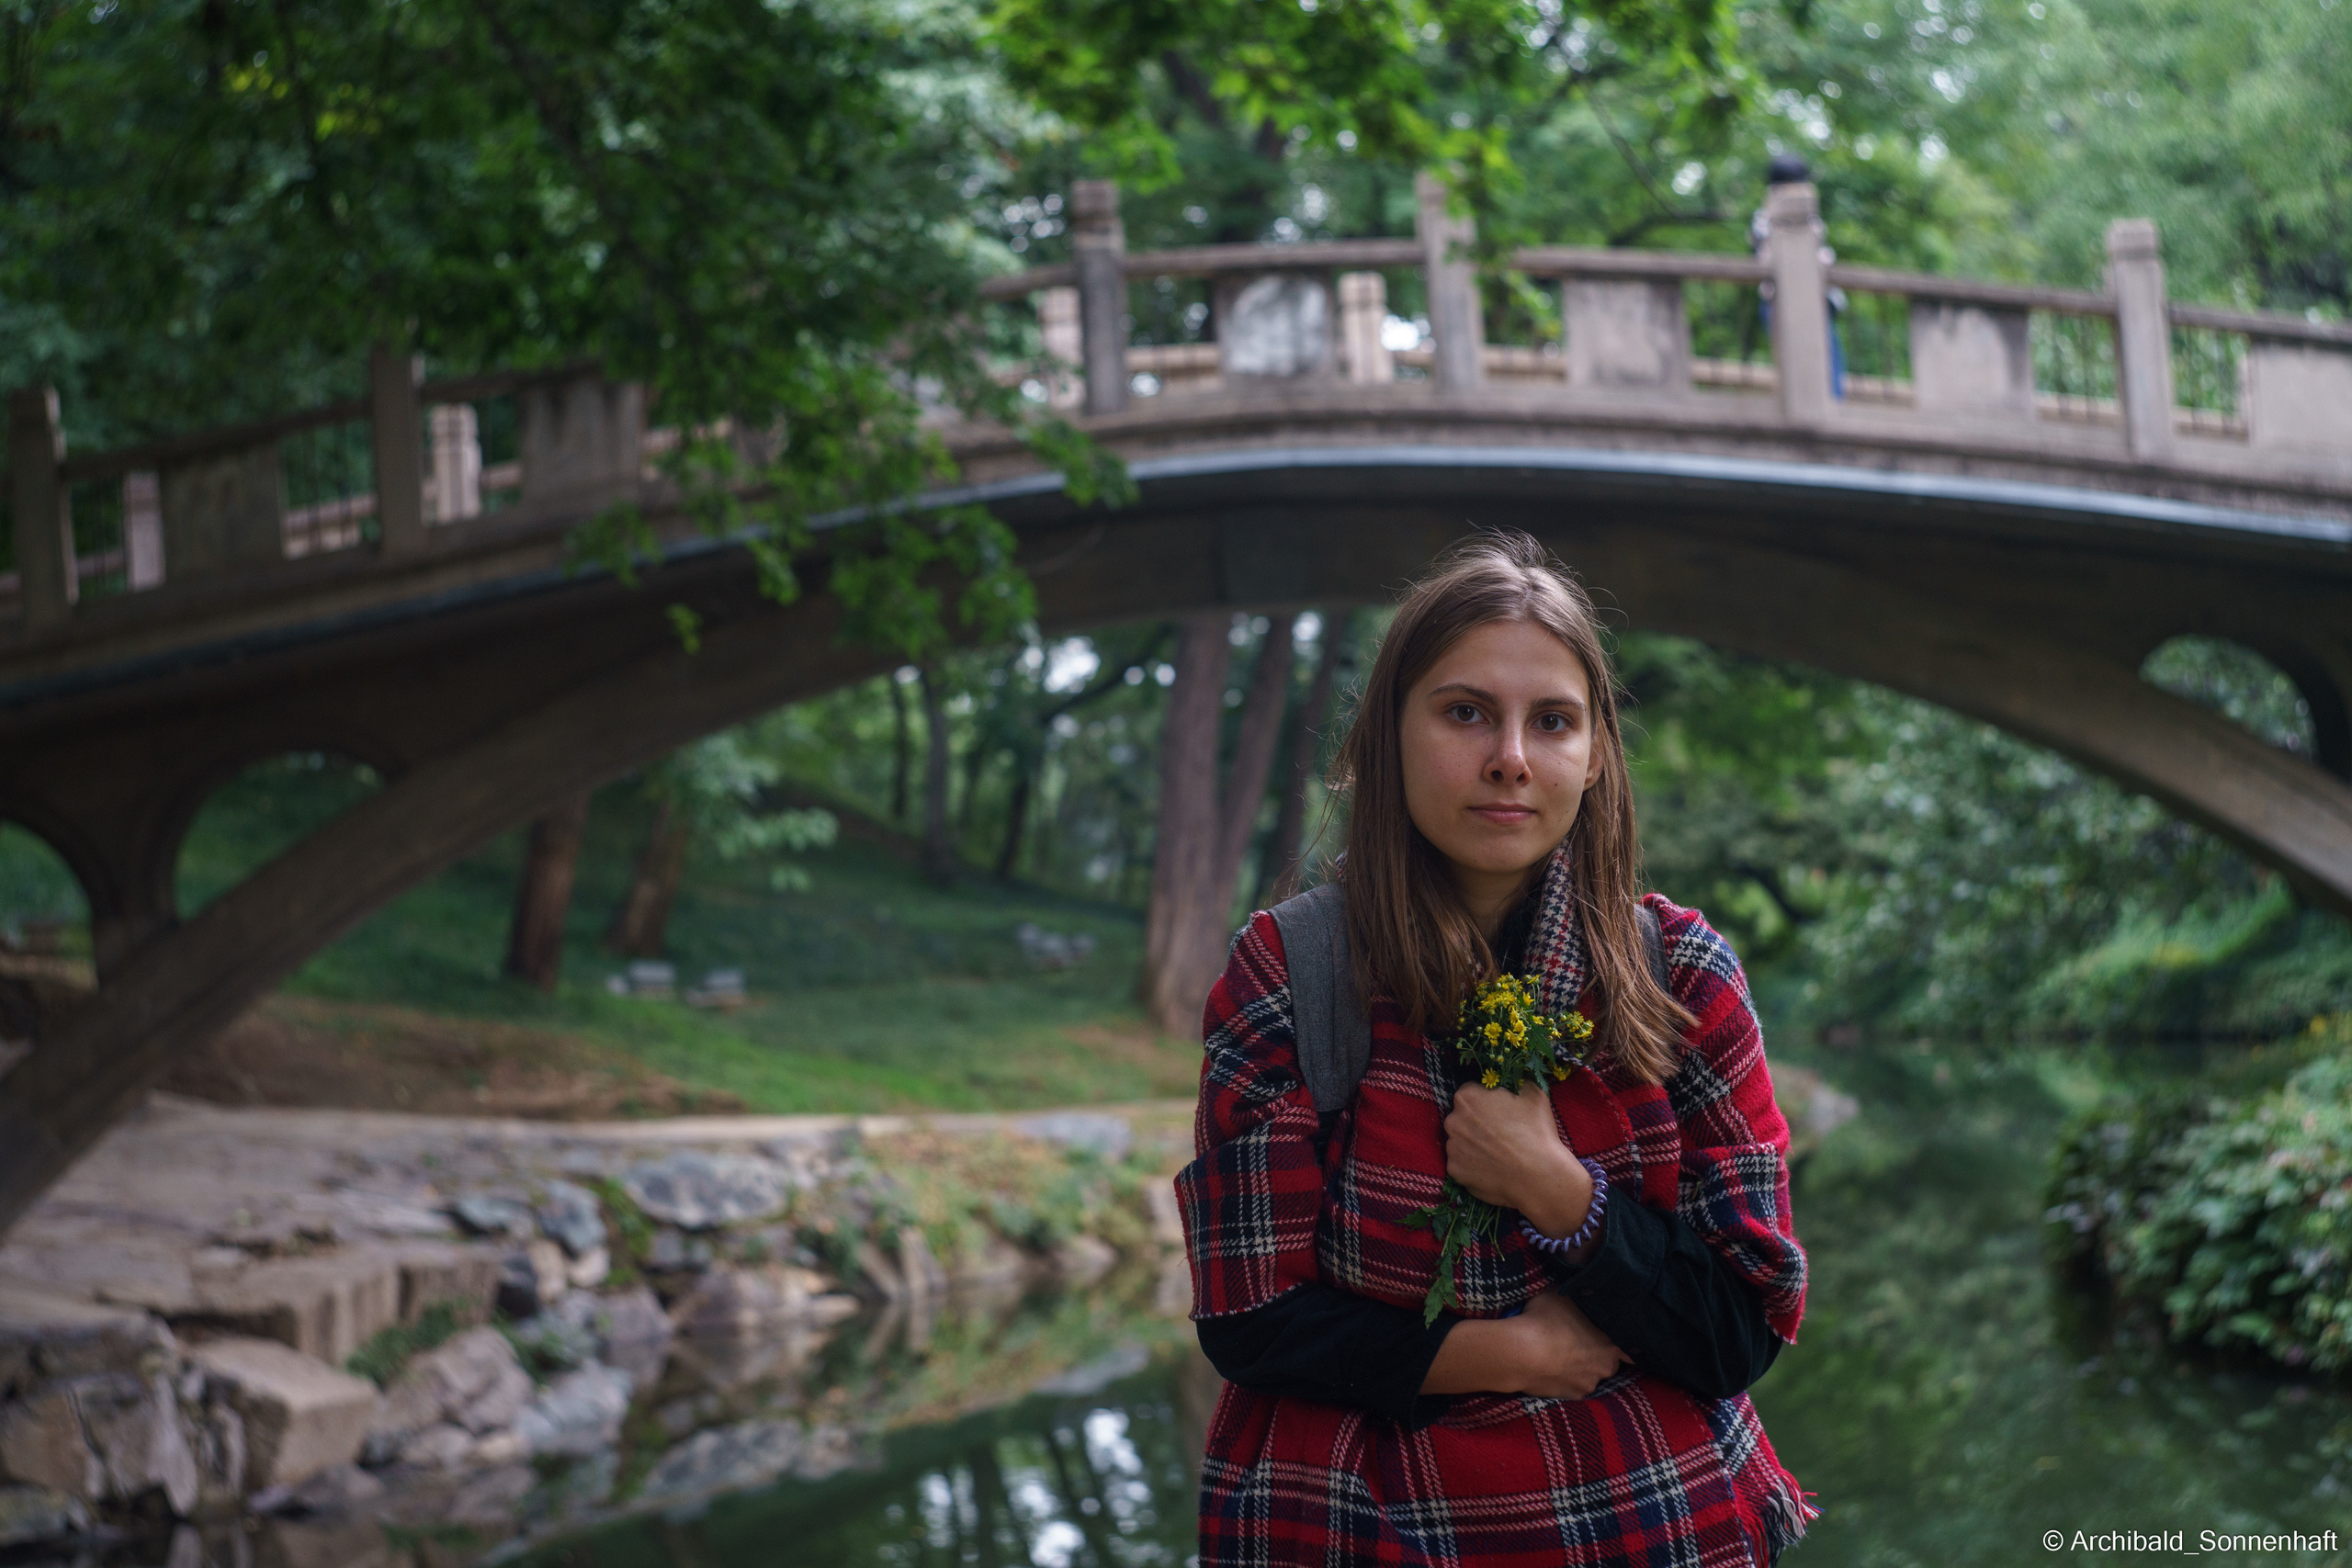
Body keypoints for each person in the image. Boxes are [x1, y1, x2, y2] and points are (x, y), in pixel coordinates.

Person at [1175, 532, 1814, 1567]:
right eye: (1465, 712)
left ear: (1594, 751)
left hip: (1651, 1527)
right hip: (1357, 1530)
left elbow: (1738, 1335)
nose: (1509, 756)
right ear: (1389, 735)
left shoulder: (1679, 974)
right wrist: (1505, 1353)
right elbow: (1250, 1320)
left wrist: (1560, 1191)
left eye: (1550, 721)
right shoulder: (1290, 972)